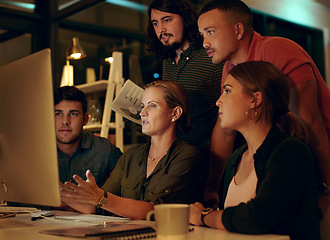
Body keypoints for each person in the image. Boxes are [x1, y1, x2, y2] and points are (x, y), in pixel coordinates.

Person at [198, 0, 330, 213]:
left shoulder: (278, 49)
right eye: (202, 35)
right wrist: (211, 187)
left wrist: (323, 188)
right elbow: (224, 129)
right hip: (280, 162)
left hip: (319, 159)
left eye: (210, 32)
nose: (204, 43)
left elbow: (310, 122)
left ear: (238, 29)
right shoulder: (231, 68)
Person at [189, 61, 321, 240]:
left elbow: (258, 218)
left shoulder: (290, 151)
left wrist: (205, 216)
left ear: (255, 99)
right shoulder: (235, 158)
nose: (218, 101)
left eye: (227, 91)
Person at [60, 80, 207, 220]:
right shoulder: (131, 156)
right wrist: (59, 190)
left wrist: (100, 198)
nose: (143, 112)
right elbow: (97, 206)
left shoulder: (188, 157)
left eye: (152, 105)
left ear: (175, 113)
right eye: (143, 106)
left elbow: (155, 211)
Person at [146, 0, 223, 159]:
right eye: (155, 23)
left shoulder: (209, 56)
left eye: (167, 20)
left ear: (185, 19)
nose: (161, 29)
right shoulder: (167, 61)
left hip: (209, 157)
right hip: (176, 157)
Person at [54, 86, 122, 187]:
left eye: (73, 114)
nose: (65, 122)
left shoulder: (106, 151)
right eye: (59, 114)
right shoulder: (35, 152)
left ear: (85, 119)